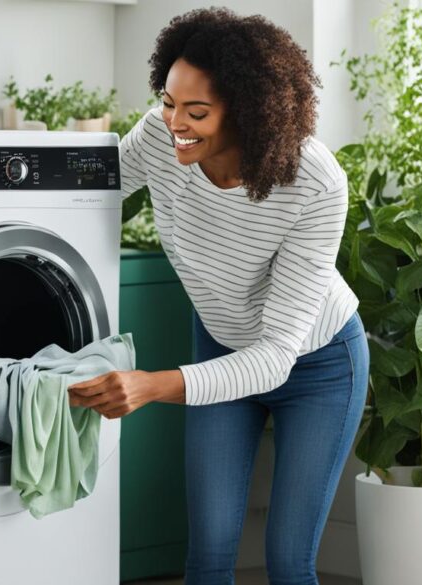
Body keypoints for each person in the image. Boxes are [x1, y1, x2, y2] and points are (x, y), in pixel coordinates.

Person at [67, 8, 370, 585]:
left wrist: (152, 385)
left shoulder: (315, 181)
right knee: (207, 554)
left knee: (288, 561)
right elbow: (90, 187)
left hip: (317, 365)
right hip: (222, 343)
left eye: (196, 112)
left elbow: (277, 355)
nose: (174, 122)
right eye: (168, 101)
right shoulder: (162, 135)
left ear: (251, 113)